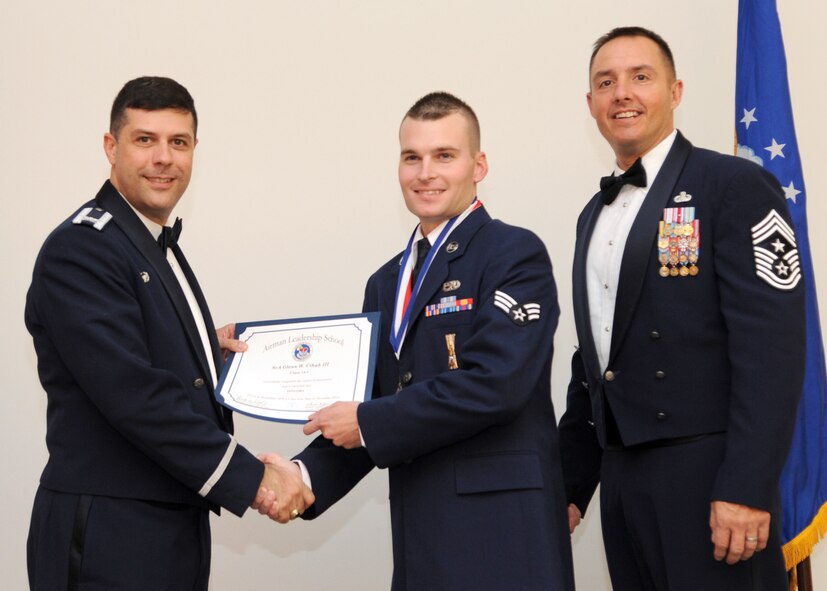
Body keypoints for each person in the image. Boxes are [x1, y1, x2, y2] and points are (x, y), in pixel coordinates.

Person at [261, 92, 574, 590]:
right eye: (412, 157)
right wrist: (301, 477)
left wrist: (366, 420)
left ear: (479, 165)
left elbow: (497, 385)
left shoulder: (514, 254)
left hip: (504, 540)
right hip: (421, 543)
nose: (425, 172)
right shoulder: (386, 282)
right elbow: (376, 411)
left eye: (444, 156)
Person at [25, 76, 313, 591]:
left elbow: (142, 355)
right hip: (110, 532)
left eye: (178, 142)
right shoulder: (83, 249)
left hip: (162, 521)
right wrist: (254, 479)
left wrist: (202, 353)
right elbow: (136, 395)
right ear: (111, 147)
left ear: (194, 151)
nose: (163, 157)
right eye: (145, 139)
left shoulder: (148, 243)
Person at [557, 27, 806, 591]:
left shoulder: (736, 186)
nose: (622, 93)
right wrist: (571, 485)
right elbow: (594, 360)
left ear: (675, 90)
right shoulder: (591, 216)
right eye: (606, 82)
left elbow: (773, 352)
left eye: (640, 77)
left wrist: (746, 485)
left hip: (711, 480)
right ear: (591, 104)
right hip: (621, 480)